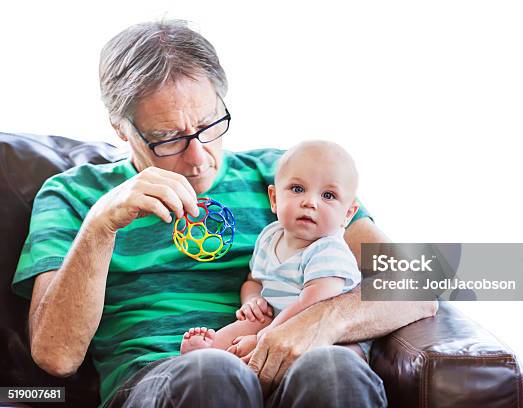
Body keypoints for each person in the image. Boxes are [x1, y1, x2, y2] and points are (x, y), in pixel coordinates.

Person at [12, 20, 437, 407]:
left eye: (209, 124)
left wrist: (322, 321)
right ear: (121, 128)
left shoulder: (292, 180)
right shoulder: (73, 195)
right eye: (167, 138)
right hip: (161, 378)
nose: (198, 158)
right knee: (214, 371)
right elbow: (56, 357)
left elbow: (421, 282)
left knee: (335, 368)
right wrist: (101, 225)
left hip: (293, 367)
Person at [180, 141, 370, 362]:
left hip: (315, 329)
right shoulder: (270, 237)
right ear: (274, 198)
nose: (310, 202)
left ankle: (239, 360)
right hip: (274, 319)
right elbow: (254, 280)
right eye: (297, 189)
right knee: (248, 324)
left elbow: (311, 306)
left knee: (328, 356)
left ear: (348, 214)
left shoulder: (329, 251)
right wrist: (251, 301)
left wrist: (263, 337)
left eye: (328, 195)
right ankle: (206, 352)